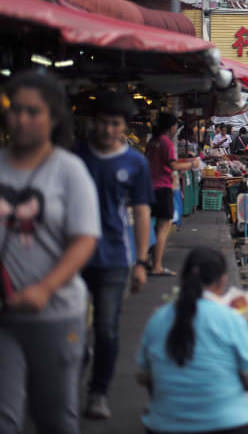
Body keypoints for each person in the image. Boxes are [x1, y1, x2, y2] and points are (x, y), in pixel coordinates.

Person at [0, 71, 101, 434]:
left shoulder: (69, 171)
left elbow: (85, 239)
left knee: (54, 418)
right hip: (3, 317)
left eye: (33, 111)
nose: (21, 119)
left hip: (56, 315)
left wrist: (44, 288)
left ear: (54, 117)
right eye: (15, 109)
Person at [75, 91, 153, 421]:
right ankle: (70, 376)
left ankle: (98, 391)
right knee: (70, 330)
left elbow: (142, 210)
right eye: (104, 123)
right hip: (72, 258)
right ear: (95, 123)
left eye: (115, 124)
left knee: (107, 328)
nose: (109, 130)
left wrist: (141, 261)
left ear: (124, 127)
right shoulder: (75, 157)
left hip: (114, 258)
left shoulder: (135, 163)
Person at [137, 247, 248, 434]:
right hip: (228, 425)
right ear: (222, 281)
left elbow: (143, 376)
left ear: (182, 278)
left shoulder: (158, 318)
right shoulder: (230, 319)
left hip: (164, 426)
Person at [147, 113, 199, 277]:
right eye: (176, 125)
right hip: (163, 187)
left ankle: (150, 261)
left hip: (150, 187)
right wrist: (192, 163)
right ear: (171, 127)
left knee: (155, 227)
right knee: (163, 227)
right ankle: (157, 266)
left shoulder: (152, 142)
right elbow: (173, 165)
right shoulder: (166, 143)